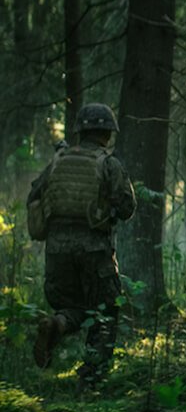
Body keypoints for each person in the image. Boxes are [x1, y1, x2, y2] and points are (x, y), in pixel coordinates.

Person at [27, 102, 136, 387]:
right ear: (107, 133)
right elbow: (127, 207)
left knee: (72, 306)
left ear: (80, 131)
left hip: (57, 249)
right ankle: (91, 377)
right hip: (94, 249)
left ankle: (57, 324)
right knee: (105, 309)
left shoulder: (58, 161)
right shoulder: (108, 163)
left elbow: (35, 195)